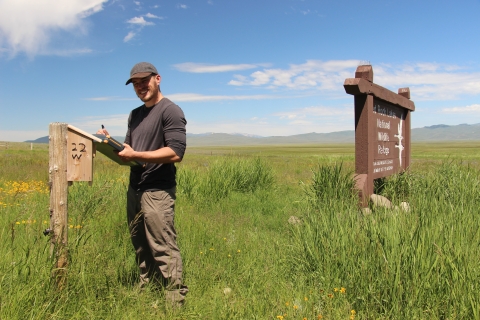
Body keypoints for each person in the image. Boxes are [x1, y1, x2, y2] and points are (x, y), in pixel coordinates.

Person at [98, 62, 188, 305]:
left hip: (158, 190)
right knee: (140, 244)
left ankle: (174, 301)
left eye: (144, 81)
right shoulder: (135, 115)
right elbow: (131, 151)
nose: (140, 86)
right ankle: (148, 290)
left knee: (163, 246)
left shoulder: (170, 111)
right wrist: (110, 143)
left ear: (157, 79)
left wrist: (136, 155)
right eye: (135, 83)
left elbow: (175, 152)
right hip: (135, 188)